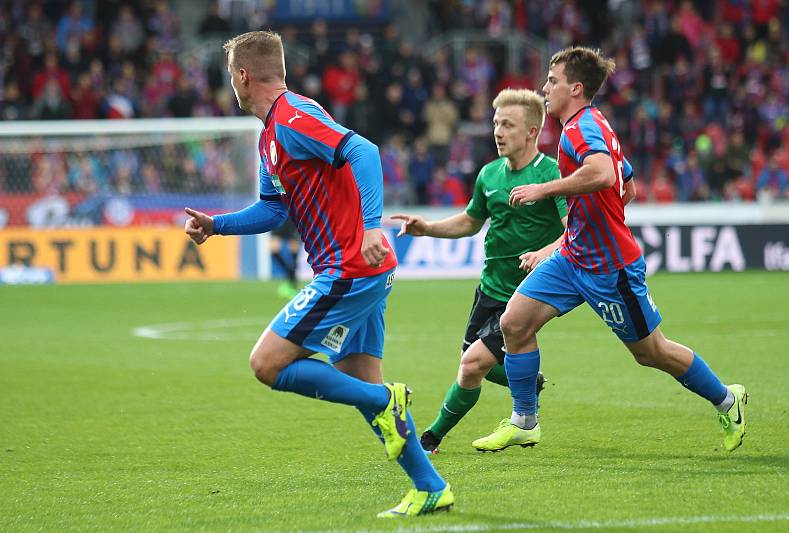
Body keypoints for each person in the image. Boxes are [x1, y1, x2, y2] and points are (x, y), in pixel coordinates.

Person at [183, 31, 453, 517]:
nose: (231, 86)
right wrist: (217, 225)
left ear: (243, 76)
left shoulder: (293, 116)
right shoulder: (271, 134)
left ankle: (383, 400)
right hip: (364, 269)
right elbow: (272, 209)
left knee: (267, 364)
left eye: (231, 77)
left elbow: (364, 152)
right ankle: (429, 485)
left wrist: (371, 225)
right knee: (357, 376)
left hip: (349, 268)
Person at [500, 46, 747, 453]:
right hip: (573, 258)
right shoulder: (591, 123)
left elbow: (601, 173)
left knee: (651, 352)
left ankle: (727, 399)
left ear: (575, 89)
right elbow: (626, 184)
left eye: (553, 81)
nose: (545, 88)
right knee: (515, 324)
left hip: (610, 268)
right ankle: (524, 420)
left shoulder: (581, 129)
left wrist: (544, 189)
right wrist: (581, 229)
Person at [392, 89, 567, 453]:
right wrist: (427, 228)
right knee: (476, 366)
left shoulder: (553, 175)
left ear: (532, 132)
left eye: (508, 124)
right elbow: (471, 221)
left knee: (472, 365)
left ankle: (430, 439)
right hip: (489, 289)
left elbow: (573, 232)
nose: (498, 132)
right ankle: (528, 382)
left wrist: (543, 253)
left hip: (526, 295)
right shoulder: (489, 174)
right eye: (495, 124)